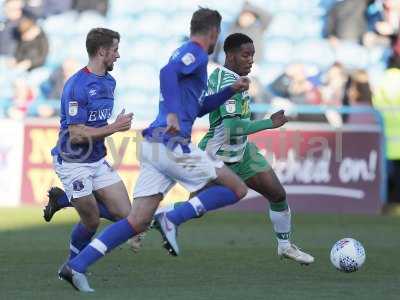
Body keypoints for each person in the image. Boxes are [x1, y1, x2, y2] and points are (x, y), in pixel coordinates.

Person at [58, 8, 250, 292]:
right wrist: (172, 113)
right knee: (237, 189)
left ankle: (76, 266)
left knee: (136, 221)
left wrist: (228, 91)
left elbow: (197, 108)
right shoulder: (195, 52)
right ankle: (172, 217)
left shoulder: (187, 57)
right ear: (214, 33)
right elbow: (166, 73)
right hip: (170, 143)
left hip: (153, 145)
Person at [152, 33, 314, 265]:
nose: (250, 60)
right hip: (217, 155)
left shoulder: (238, 79)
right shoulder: (227, 80)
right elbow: (232, 128)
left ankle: (285, 246)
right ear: (230, 55)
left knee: (277, 195)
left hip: (242, 153)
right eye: (245, 55)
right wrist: (270, 123)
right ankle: (150, 219)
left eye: (252, 56)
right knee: (195, 208)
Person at [52, 27, 134, 290]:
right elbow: (76, 135)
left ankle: (65, 200)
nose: (118, 56)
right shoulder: (76, 86)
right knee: (91, 220)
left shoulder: (109, 82)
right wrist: (114, 128)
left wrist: (112, 125)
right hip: (73, 162)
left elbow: (97, 122)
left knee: (127, 216)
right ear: (102, 51)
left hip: (96, 159)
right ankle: (73, 267)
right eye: (115, 50)